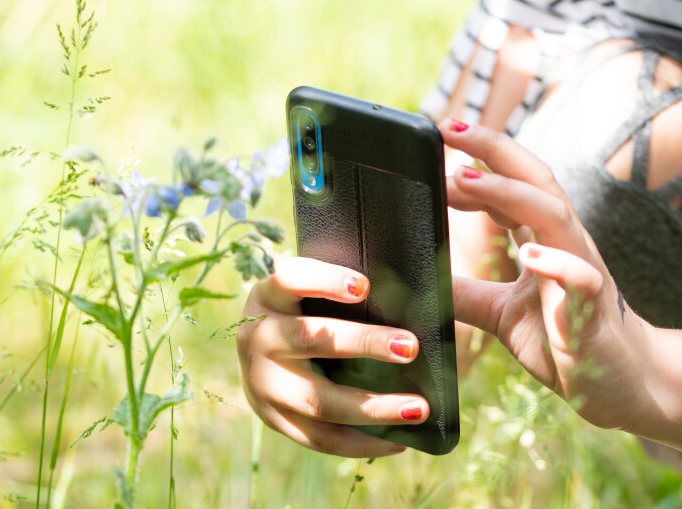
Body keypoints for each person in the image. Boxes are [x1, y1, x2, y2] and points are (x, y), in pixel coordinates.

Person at [236, 0, 682, 458]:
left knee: (611, 122)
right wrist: (321, 348)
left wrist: (652, 372)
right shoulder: (528, 21)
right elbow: (456, 282)